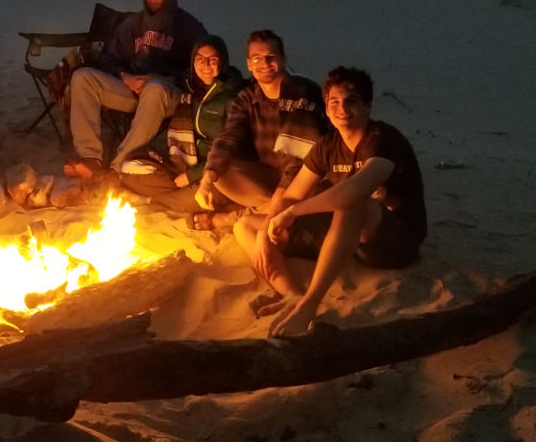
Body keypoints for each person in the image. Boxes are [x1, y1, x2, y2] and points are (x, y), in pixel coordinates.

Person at [235, 66, 427, 337]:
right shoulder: (328, 145)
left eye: (351, 101)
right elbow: (291, 193)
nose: (342, 109)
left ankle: (309, 305)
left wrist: (293, 213)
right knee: (246, 226)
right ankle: (291, 294)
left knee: (352, 203)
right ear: (326, 108)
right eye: (334, 102)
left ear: (367, 106)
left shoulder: (383, 140)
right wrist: (268, 230)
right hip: (345, 236)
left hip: (394, 240)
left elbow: (354, 190)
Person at [65, 0, 207, 179]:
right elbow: (109, 58)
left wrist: (165, 78)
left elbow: (204, 68)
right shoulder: (133, 25)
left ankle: (117, 168)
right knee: (83, 78)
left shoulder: (188, 26)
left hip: (171, 95)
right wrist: (125, 77)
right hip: (135, 89)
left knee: (155, 88)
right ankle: (90, 159)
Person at [193, 29, 328, 230]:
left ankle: (233, 218)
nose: (264, 64)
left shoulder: (301, 91)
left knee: (311, 194)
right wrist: (206, 180)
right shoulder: (248, 96)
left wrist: (281, 196)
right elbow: (227, 138)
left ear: (283, 59)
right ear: (248, 64)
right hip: (269, 175)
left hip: (308, 176)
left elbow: (298, 159)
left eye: (270, 57)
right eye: (257, 59)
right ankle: (274, 209)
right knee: (219, 172)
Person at [118, 34, 245, 212]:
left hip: (215, 170)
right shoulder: (190, 88)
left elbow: (231, 152)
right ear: (193, 62)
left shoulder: (232, 97)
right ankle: (174, 194)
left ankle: (153, 201)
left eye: (212, 60)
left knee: (210, 194)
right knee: (128, 168)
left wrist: (191, 176)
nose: (206, 66)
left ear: (223, 62)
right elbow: (167, 80)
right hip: (182, 162)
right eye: (200, 59)